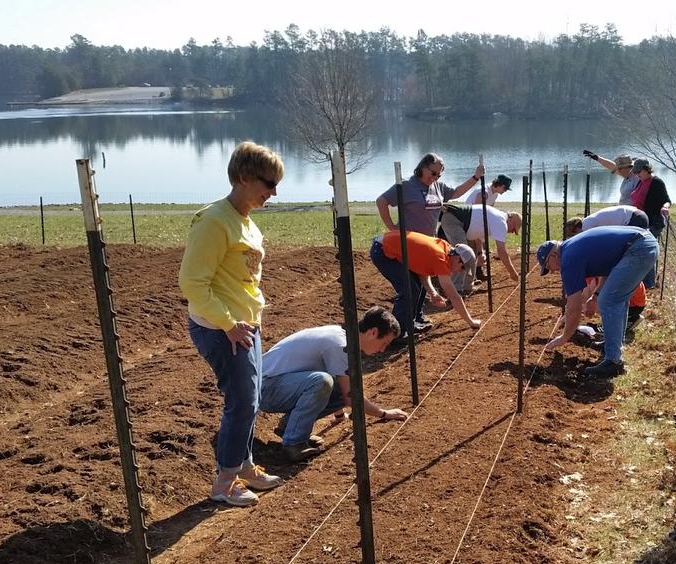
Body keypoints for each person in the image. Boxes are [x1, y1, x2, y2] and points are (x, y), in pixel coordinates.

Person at [179, 141, 286, 507]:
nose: (273, 192)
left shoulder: (246, 223)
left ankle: (245, 465)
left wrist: (248, 318)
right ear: (243, 177)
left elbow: (244, 277)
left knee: (252, 399)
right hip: (220, 328)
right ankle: (224, 483)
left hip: (245, 326)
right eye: (268, 183)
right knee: (241, 402)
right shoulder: (213, 222)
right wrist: (227, 323)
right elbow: (192, 282)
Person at [259, 307, 409, 462]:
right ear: (373, 332)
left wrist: (338, 413)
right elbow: (352, 397)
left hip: (277, 384)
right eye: (384, 343)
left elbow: (343, 386)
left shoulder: (341, 336)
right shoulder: (340, 345)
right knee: (321, 381)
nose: (383, 349)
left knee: (337, 384)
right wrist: (384, 413)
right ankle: (294, 444)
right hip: (264, 388)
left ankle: (290, 428)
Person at [537, 225, 659, 378]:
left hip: (637, 248)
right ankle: (612, 346)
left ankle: (614, 361)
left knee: (608, 301)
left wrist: (564, 337)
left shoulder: (568, 258)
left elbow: (574, 307)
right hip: (642, 244)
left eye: (549, 266)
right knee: (615, 299)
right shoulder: (571, 249)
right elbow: (607, 270)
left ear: (554, 255)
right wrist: (593, 297)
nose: (553, 271)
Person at [368, 228, 481, 347]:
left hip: (386, 245)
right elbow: (453, 296)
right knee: (409, 290)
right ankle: (397, 334)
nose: (459, 271)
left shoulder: (445, 250)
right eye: (462, 268)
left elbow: (422, 271)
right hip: (383, 251)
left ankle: (411, 323)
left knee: (415, 287)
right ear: (457, 258)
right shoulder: (441, 258)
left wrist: (433, 293)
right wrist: (471, 322)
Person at [376, 152, 485, 237]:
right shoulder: (406, 185)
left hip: (430, 239)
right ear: (423, 167)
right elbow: (381, 201)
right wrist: (391, 227)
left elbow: (457, 192)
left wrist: (476, 177)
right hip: (410, 240)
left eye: (438, 175)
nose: (435, 177)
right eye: (433, 173)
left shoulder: (438, 186)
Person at [438, 202, 521, 293]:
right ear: (511, 219)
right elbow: (502, 252)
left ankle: (467, 287)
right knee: (462, 255)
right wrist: (512, 272)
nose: (511, 232)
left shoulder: (495, 216)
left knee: (470, 255)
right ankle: (456, 290)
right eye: (513, 229)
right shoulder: (501, 222)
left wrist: (480, 253)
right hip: (454, 220)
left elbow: (478, 235)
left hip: (457, 222)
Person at [630, 158, 672, 239]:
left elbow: (667, 201)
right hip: (640, 221)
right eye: (635, 172)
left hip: (653, 223)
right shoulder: (640, 181)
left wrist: (665, 207)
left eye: (639, 172)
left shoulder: (657, 182)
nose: (637, 174)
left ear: (647, 169)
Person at [564, 204, 649, 236]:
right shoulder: (588, 221)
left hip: (634, 218)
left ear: (576, 229)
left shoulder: (587, 226)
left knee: (631, 250)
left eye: (574, 234)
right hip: (637, 214)